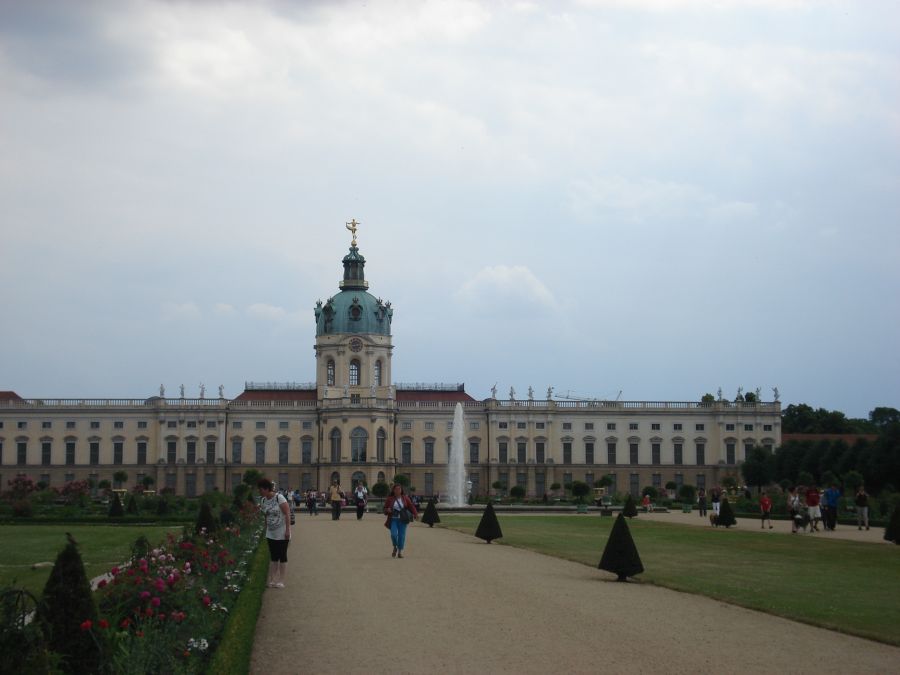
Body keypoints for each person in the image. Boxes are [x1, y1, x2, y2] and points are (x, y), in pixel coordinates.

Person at [257, 478, 291, 588]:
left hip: (281, 532)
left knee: (282, 555)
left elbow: (287, 513)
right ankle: (272, 579)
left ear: (267, 489)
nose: (259, 492)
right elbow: (266, 515)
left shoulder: (279, 498)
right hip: (271, 532)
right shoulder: (263, 500)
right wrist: (265, 529)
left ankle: (281, 580)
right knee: (273, 556)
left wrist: (287, 530)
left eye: (261, 489)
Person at [383, 483, 418, 558]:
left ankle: (399, 552)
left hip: (403, 520)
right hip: (393, 520)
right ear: (393, 490)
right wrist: (387, 510)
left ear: (401, 490)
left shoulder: (405, 498)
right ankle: (395, 546)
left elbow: (411, 506)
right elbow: (384, 508)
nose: (398, 490)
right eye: (396, 489)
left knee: (402, 536)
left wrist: (415, 514)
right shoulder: (390, 499)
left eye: (399, 489)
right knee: (393, 535)